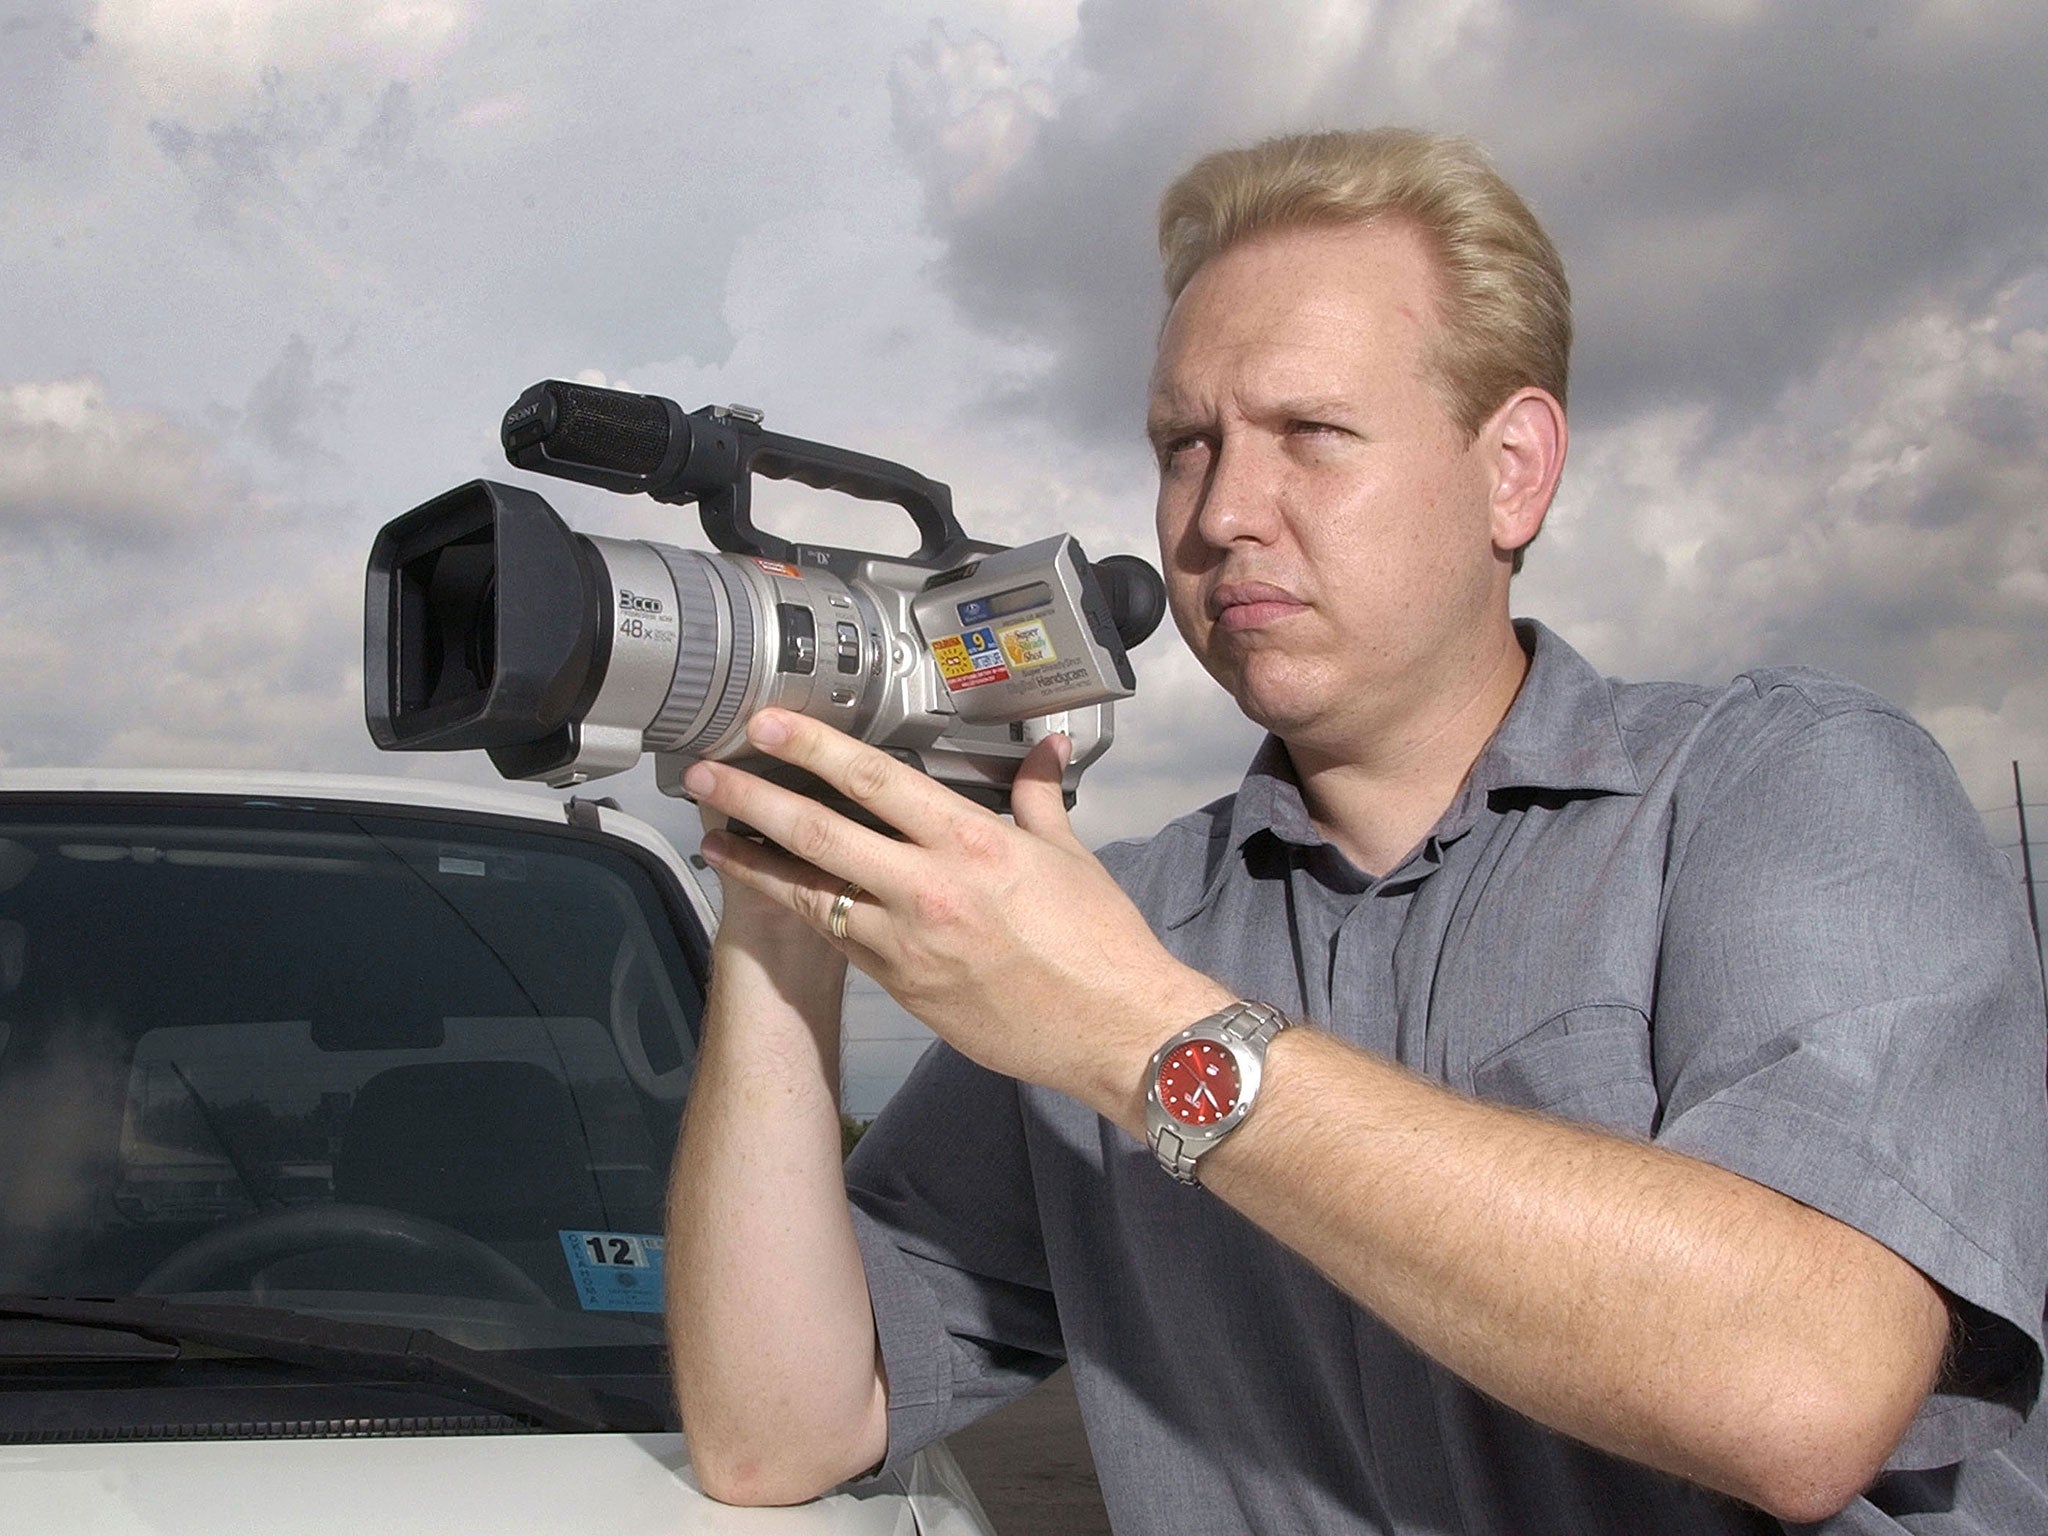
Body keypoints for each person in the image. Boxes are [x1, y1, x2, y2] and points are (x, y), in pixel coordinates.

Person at [664, 128, 2047, 1532]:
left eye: (1310, 436)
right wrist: (781, 915)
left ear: (1514, 469)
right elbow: (778, 1431)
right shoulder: (1108, 923)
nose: (1218, 514)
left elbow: (1806, 1385)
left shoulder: (1783, 789)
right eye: (1182, 446)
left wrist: (1143, 1040)